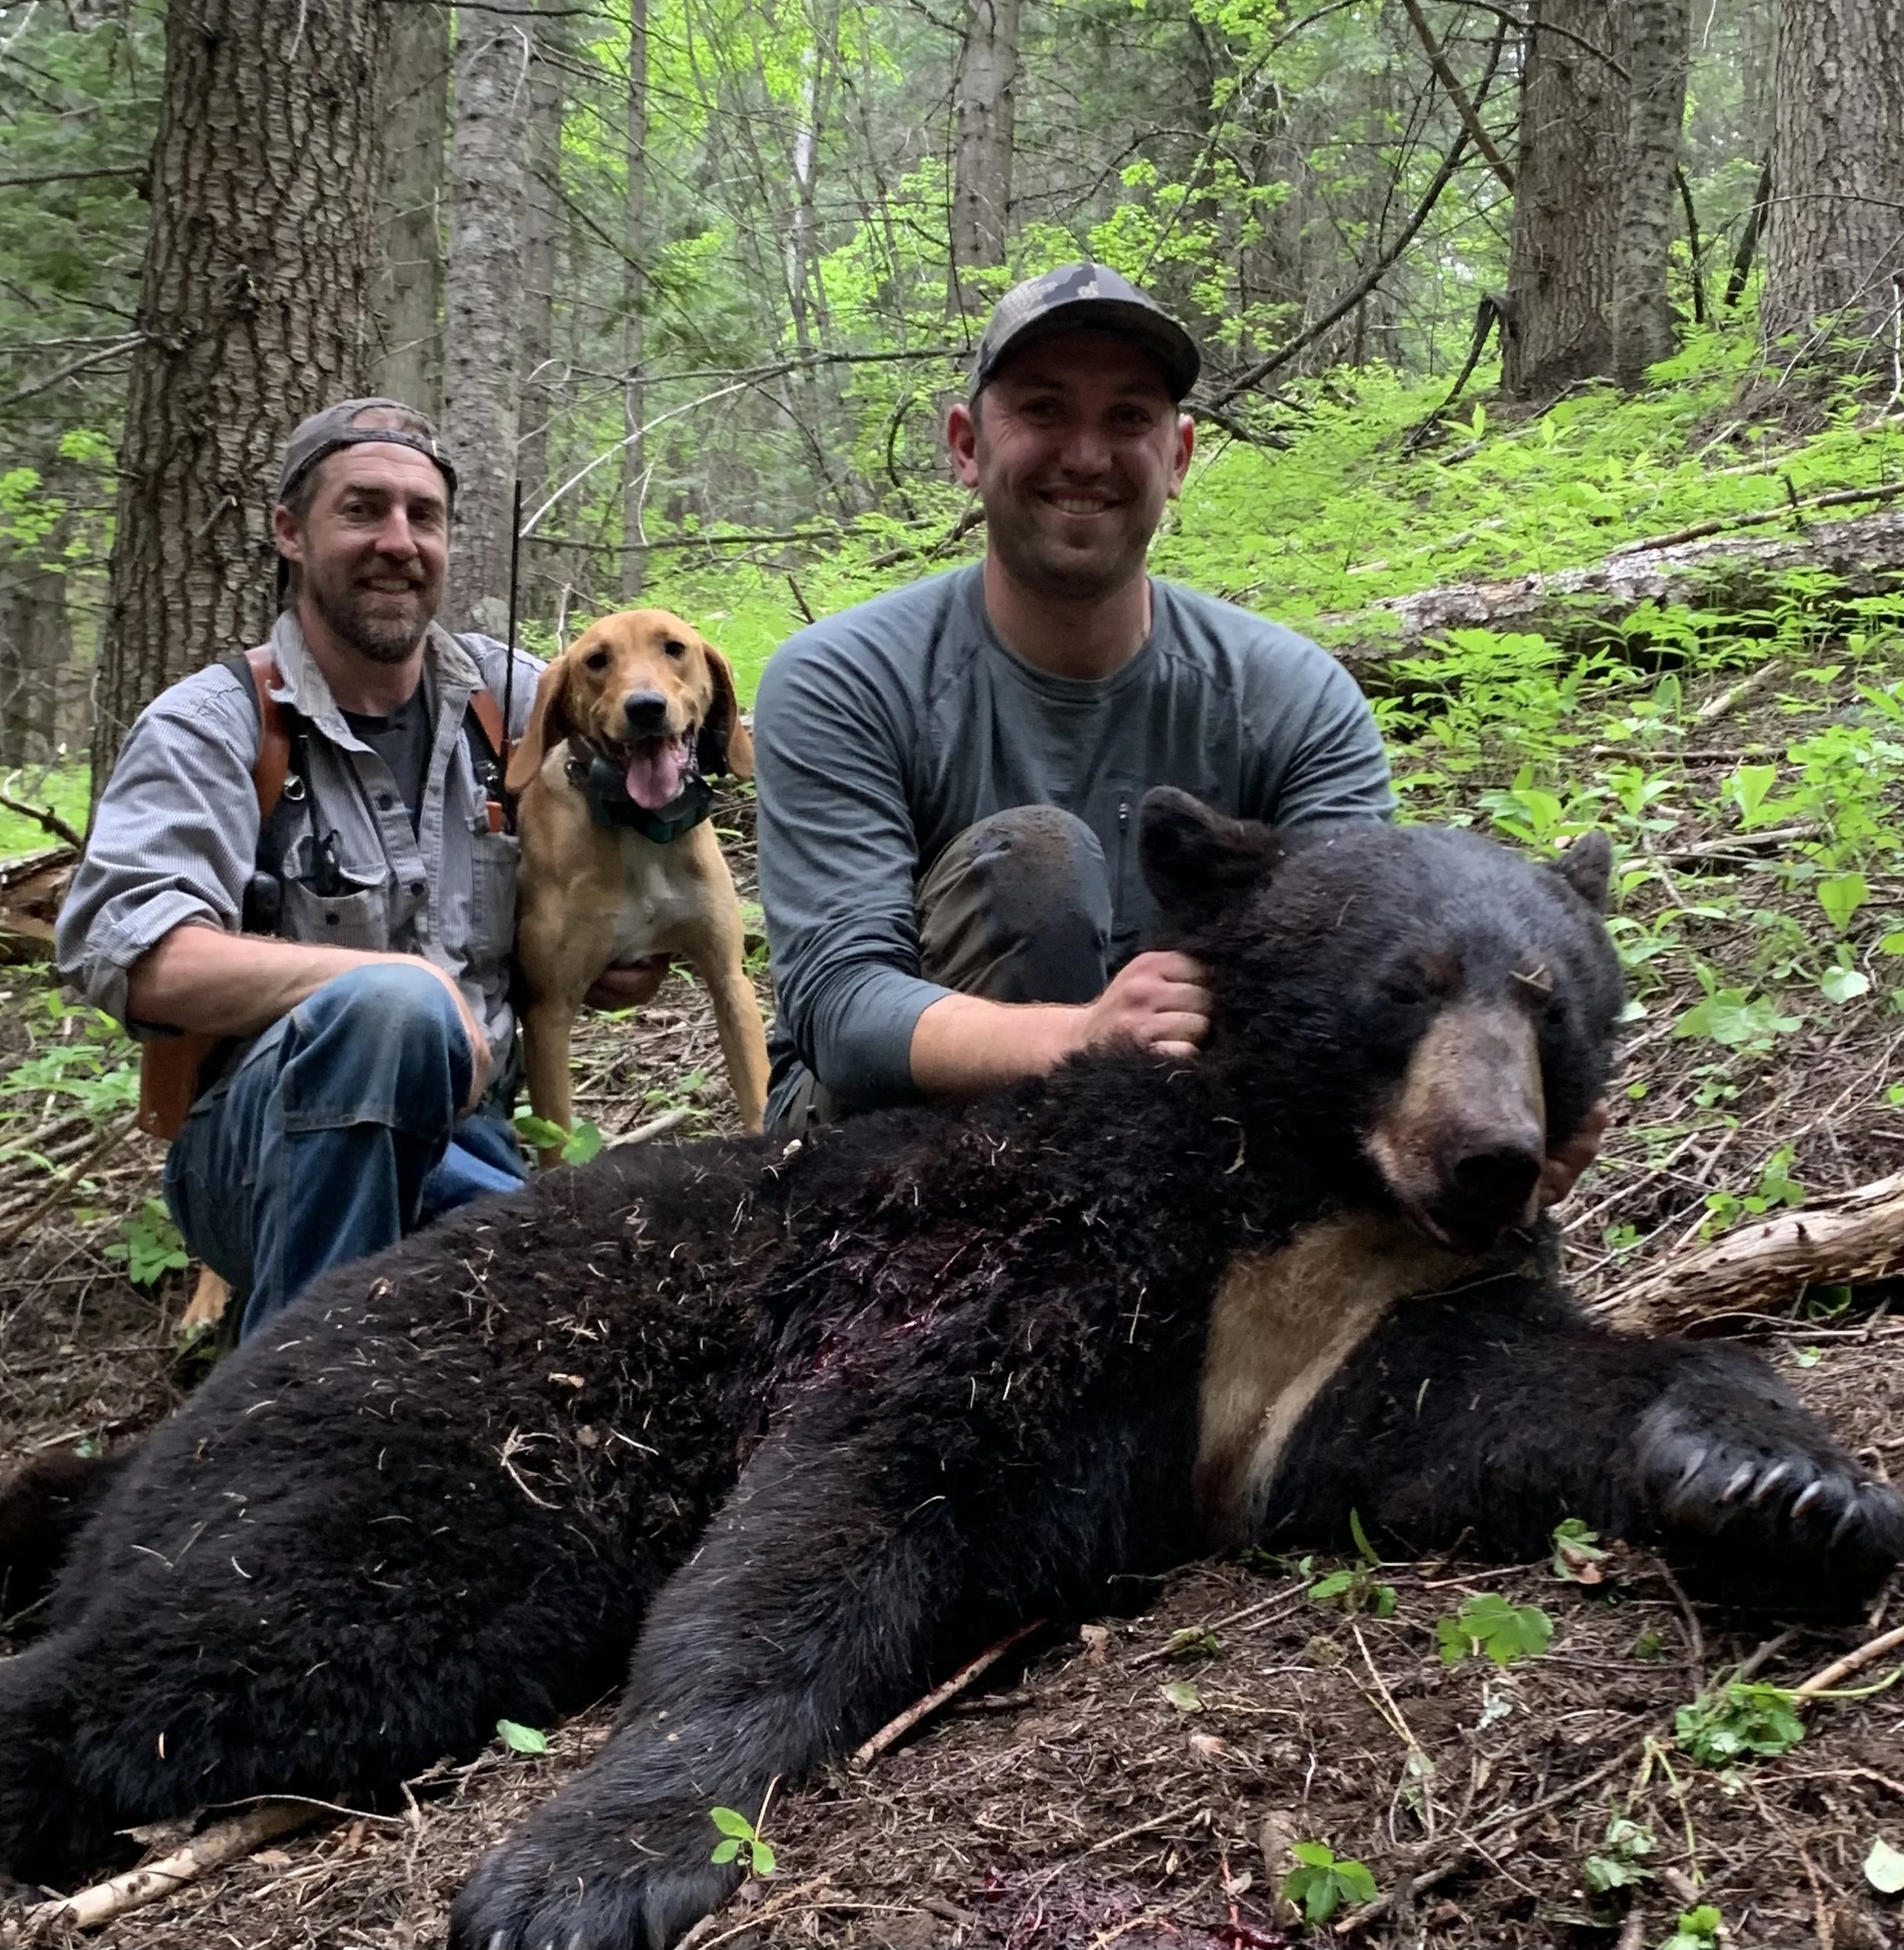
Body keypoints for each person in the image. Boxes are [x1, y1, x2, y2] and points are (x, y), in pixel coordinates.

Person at [753, 263, 1605, 1196]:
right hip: (873, 1155)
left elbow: (1354, 974)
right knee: (1035, 862)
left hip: (1193, 1136)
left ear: (1179, 456)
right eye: (1042, 410)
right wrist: (1083, 1036)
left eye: (1128, 417)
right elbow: (843, 1010)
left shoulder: (1291, 695)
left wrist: (1481, 1132)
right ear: (966, 445)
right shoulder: (845, 677)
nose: (1086, 454)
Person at [57, 400, 647, 1340]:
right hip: (256, 1155)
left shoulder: (514, 701)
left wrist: (620, 941)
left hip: (471, 1140)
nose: (398, 542)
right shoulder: (214, 725)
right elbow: (132, 955)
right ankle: (290, 1398)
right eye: (362, 509)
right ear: (290, 532)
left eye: (424, 516)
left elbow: (656, 783)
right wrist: (389, 981)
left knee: (608, 1297)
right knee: (392, 1011)